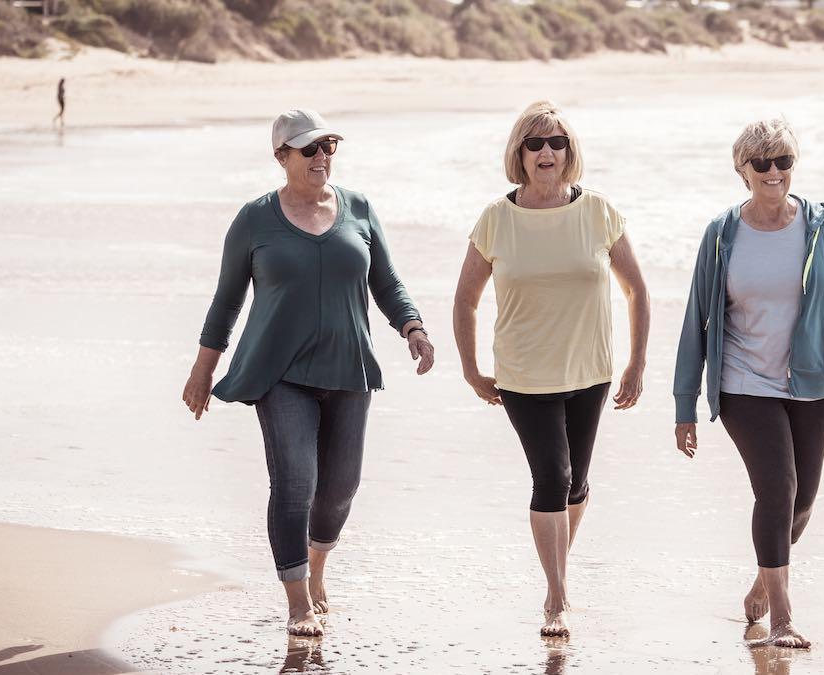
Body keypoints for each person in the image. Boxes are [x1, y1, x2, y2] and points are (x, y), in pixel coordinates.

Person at [181, 109, 435, 636]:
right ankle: (297, 600)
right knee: (295, 483)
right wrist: (203, 371)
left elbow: (386, 282)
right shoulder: (254, 220)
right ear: (282, 158)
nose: (322, 157)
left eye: (329, 147)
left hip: (349, 369)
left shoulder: (358, 207)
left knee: (340, 488)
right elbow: (226, 301)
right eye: (309, 149)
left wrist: (413, 327)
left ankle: (317, 570)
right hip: (281, 375)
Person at [453, 101, 650, 639]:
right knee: (553, 478)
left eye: (556, 142)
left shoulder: (599, 211)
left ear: (570, 151)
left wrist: (635, 364)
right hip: (523, 375)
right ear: (520, 153)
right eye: (535, 143)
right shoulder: (497, 217)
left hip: (590, 372)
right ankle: (558, 596)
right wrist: (471, 369)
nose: (546, 152)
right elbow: (466, 299)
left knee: (578, 485)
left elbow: (636, 290)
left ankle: (555, 569)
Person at [672, 117, 824, 649]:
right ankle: (782, 616)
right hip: (743, 382)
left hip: (812, 382)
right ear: (742, 169)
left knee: (803, 499)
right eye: (761, 162)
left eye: (783, 161)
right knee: (777, 489)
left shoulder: (823, 228)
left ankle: (764, 577)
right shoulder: (723, 234)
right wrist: (684, 403)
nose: (773, 171)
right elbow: (697, 319)